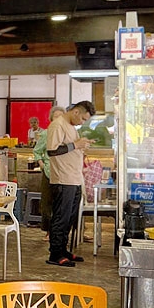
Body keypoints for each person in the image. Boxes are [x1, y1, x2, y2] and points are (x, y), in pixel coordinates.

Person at [46, 101, 95, 267]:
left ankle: (63, 250)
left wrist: (81, 144)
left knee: (69, 219)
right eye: (82, 118)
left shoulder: (71, 127)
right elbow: (52, 151)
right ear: (75, 112)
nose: (82, 122)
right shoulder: (57, 125)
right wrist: (76, 144)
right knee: (61, 218)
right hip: (63, 179)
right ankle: (55, 254)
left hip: (74, 179)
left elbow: (69, 148)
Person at [32, 106, 66, 241]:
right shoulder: (46, 134)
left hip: (65, 173)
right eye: (56, 117)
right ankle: (49, 231)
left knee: (62, 204)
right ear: (51, 119)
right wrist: (41, 165)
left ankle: (62, 231)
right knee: (47, 204)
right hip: (49, 171)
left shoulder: (67, 133)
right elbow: (37, 151)